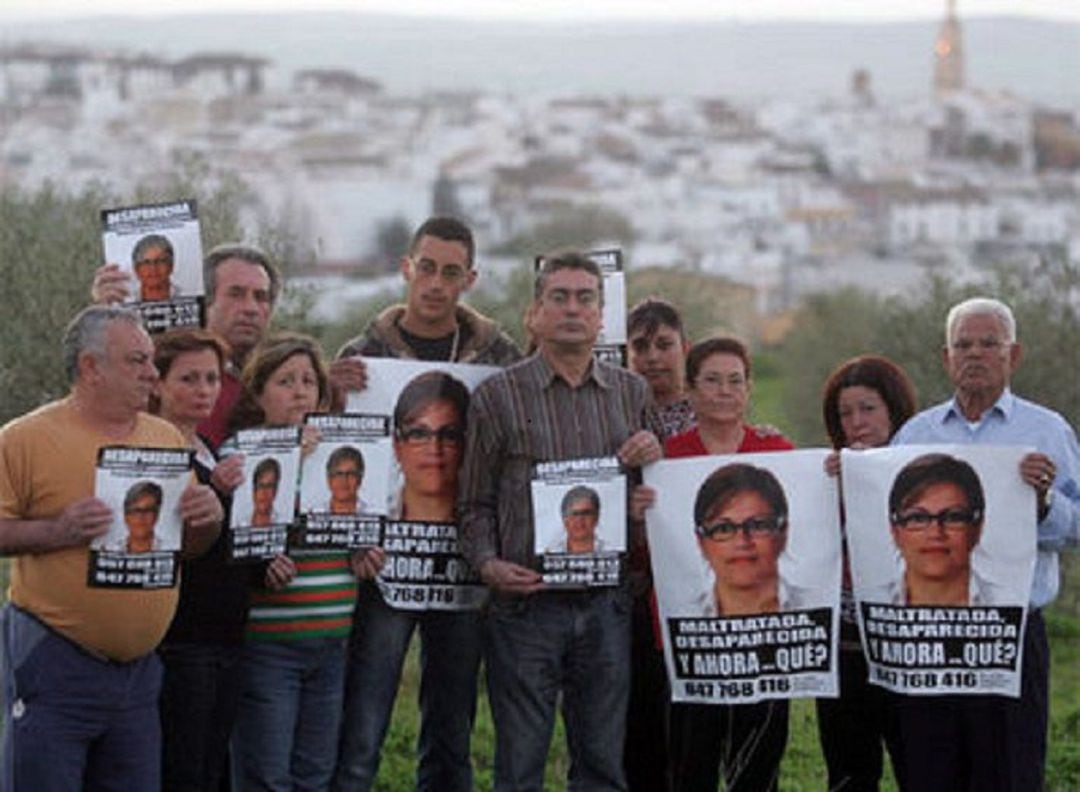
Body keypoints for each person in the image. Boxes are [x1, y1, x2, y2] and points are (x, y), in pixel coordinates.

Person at [460, 250, 661, 790]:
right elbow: (474, 502)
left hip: (606, 606)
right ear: (535, 313)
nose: (573, 309)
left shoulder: (632, 393)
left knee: (601, 764)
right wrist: (487, 565)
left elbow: (647, 498)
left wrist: (648, 481)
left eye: (586, 298)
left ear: (601, 316)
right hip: (525, 607)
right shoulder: (496, 397)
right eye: (559, 297)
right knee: (520, 765)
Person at [333, 217, 521, 792]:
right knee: (362, 727)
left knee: (451, 728)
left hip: (464, 567)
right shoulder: (361, 353)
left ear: (470, 278)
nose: (436, 283)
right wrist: (326, 386)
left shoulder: (499, 355)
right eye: (427, 268)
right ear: (406, 268)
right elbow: (333, 456)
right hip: (386, 566)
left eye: (451, 272)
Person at [0, 305, 222, 790]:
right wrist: (55, 532)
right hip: (53, 664)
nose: (152, 373)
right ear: (89, 367)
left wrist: (209, 519)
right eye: (137, 361)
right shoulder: (24, 439)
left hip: (139, 676)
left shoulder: (164, 438)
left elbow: (187, 548)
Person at [889, 296, 1079, 791]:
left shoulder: (1047, 431)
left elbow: (1078, 527)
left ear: (1013, 356)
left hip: (1011, 634)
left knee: (1011, 772)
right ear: (946, 357)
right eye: (963, 344)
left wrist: (1042, 504)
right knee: (931, 770)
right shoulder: (915, 433)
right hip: (929, 635)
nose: (975, 354)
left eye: (988, 344)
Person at [643, 335, 794, 792]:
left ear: (749, 388)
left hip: (764, 636)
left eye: (735, 380)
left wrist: (829, 477)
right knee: (692, 762)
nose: (724, 391)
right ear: (689, 389)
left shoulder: (780, 453)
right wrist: (639, 509)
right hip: (687, 636)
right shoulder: (665, 458)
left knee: (757, 763)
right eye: (711, 380)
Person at [229, 333, 360, 790]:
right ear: (259, 392)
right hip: (269, 644)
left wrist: (367, 549)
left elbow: (360, 524)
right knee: (266, 775)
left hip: (333, 641)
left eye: (309, 381)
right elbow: (232, 542)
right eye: (285, 381)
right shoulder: (239, 455)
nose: (300, 390)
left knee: (315, 775)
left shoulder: (346, 457)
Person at [150, 327, 249, 792]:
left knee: (213, 769)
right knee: (185, 771)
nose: (204, 390)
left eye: (212, 378)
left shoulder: (207, 448)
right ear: (158, 384)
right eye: (189, 379)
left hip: (225, 637)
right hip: (182, 639)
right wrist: (216, 492)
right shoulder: (152, 451)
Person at [816, 354, 916, 792]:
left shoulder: (925, 470)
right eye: (845, 413)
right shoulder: (824, 476)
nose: (856, 421)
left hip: (910, 649)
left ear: (894, 408)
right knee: (849, 774)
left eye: (868, 408)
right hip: (846, 650)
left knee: (920, 766)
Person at [94, 243, 285, 448]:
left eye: (261, 297)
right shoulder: (157, 368)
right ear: (205, 300)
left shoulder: (286, 377)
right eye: (236, 294)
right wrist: (106, 319)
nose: (251, 308)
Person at [888, 453, 986, 606]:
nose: (935, 533)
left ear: (977, 528)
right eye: (918, 518)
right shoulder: (871, 597)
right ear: (895, 531)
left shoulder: (1010, 602)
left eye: (953, 517)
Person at [693, 463, 789, 616]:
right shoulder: (684, 613)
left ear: (783, 534)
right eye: (723, 529)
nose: (742, 542)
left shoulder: (818, 604)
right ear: (701, 542)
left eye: (757, 526)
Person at [627, 297, 694, 440]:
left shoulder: (711, 412)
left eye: (664, 346)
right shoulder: (617, 418)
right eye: (640, 347)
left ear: (685, 348)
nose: (652, 357)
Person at [547, 485, 604, 554]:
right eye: (574, 514)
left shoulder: (611, 550)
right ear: (564, 519)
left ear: (596, 517)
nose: (579, 520)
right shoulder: (551, 553)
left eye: (586, 513)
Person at [132, 234, 177, 303]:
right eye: (146, 262)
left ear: (171, 265)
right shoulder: (124, 301)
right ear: (136, 269)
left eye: (160, 261)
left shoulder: (189, 295)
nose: (153, 268)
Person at [325, 445, 367, 515]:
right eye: (338, 474)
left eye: (350, 474)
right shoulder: (311, 515)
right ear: (329, 479)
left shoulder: (374, 513)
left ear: (359, 479)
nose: (344, 480)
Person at [122, 481, 163, 552]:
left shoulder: (169, 547)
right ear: (126, 517)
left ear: (157, 515)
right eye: (136, 510)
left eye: (148, 510)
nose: (141, 517)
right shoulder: (108, 548)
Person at [249, 457, 282, 527]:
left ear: (275, 491)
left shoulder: (282, 521)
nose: (264, 492)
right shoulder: (240, 522)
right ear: (254, 491)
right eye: (261, 486)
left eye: (269, 486)